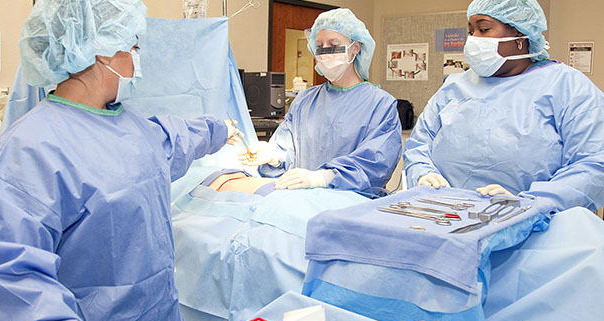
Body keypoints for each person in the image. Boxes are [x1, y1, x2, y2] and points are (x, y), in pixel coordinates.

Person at [0, 0, 241, 321]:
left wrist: (222, 128)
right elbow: (11, 283)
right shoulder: (25, 154)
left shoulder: (129, 126)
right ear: (103, 51)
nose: (136, 59)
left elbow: (173, 141)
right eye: (133, 45)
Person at [404, 0, 604, 213]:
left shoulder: (567, 87)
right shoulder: (454, 87)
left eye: (484, 29)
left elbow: (593, 165)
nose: (474, 40)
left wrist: (531, 203)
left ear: (520, 35)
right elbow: (419, 145)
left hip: (539, 229)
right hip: (446, 217)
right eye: (471, 31)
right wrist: (423, 174)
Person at [239, 8, 402, 197]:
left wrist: (323, 178)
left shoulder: (380, 105)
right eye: (319, 45)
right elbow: (287, 150)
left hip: (352, 207)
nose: (325, 52)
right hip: (301, 201)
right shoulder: (304, 101)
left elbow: (375, 165)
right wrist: (273, 156)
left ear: (355, 48)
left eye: (333, 44)